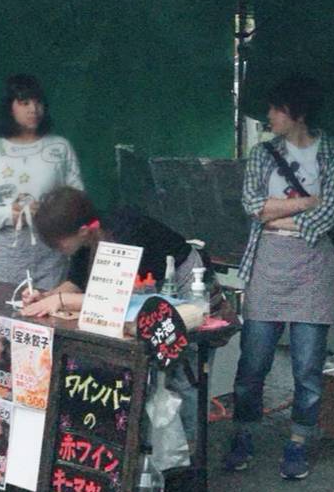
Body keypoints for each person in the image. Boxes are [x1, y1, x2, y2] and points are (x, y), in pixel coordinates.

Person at [225, 73, 334, 480]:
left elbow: (328, 217)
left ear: (297, 112)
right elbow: (253, 206)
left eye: (276, 109)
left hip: (312, 268)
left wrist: (277, 212)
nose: (270, 116)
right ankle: (243, 432)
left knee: (308, 368)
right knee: (253, 362)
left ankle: (299, 440)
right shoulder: (262, 154)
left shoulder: (333, 156)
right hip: (267, 264)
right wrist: (307, 202)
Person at [20, 186, 215, 443]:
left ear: (82, 231)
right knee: (152, 376)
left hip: (183, 287)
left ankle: (187, 447)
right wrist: (47, 297)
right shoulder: (86, 236)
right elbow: (76, 283)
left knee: (182, 372)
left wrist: (60, 300)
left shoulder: (125, 232)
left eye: (57, 243)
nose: (55, 249)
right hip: (147, 297)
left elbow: (112, 300)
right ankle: (144, 443)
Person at [0, 75, 83, 289]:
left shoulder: (59, 148)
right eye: (24, 103)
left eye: (38, 102)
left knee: (47, 304)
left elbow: (76, 197)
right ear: (9, 107)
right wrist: (7, 214)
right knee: (3, 303)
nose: (33, 109)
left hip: (51, 248)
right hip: (7, 250)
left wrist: (50, 211)